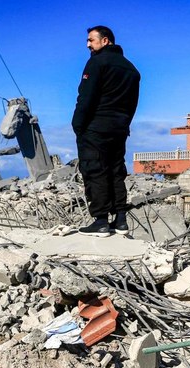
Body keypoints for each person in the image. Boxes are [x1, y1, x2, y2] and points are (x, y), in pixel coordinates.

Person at [72, 25, 140, 236]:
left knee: (95, 170)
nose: (88, 45)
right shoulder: (131, 69)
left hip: (96, 127)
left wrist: (78, 125)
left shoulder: (97, 62)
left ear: (105, 41)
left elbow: (86, 97)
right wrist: (123, 124)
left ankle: (100, 221)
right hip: (119, 129)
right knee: (116, 171)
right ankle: (120, 220)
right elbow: (132, 104)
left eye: (91, 40)